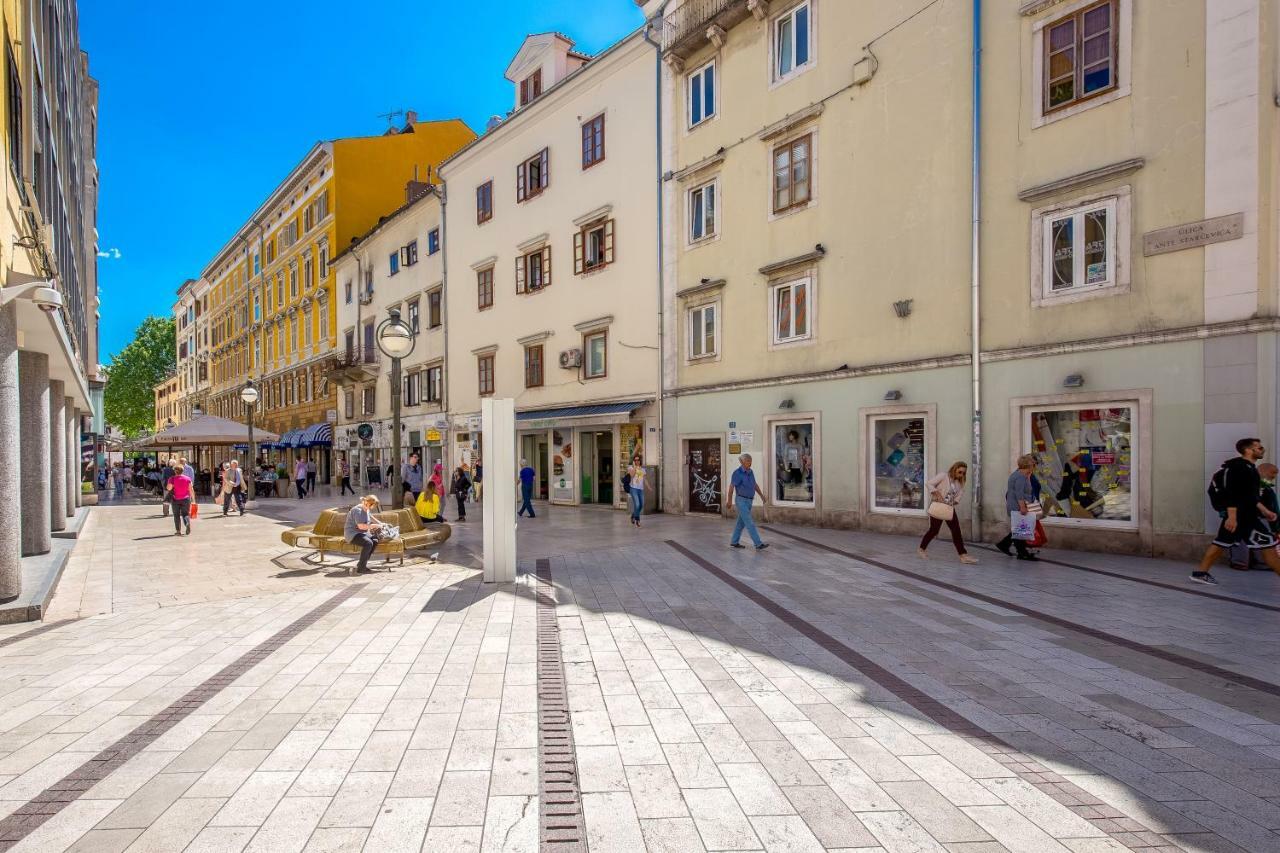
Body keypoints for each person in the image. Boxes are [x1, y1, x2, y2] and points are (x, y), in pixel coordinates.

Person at [1194, 437, 1280, 584]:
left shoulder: (1249, 468)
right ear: (1248, 450)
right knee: (1268, 543)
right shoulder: (1239, 468)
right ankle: (1201, 573)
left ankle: (1201, 573)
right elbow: (1232, 493)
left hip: (1243, 516)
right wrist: (1232, 517)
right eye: (1259, 448)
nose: (1262, 450)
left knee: (1220, 543)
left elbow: (1249, 496)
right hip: (1243, 517)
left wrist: (1265, 511)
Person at [918, 462, 979, 563]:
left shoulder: (959, 483)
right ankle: (921, 549)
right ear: (954, 469)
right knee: (934, 530)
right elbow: (929, 483)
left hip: (949, 508)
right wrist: (936, 493)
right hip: (938, 506)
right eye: (960, 472)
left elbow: (959, 494)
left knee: (956, 531)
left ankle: (963, 555)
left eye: (964, 473)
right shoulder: (943, 476)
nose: (961, 475)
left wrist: (955, 501)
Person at [995, 455, 1039, 561]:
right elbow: (1019, 493)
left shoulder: (1021, 475)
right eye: (1033, 464)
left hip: (1017, 504)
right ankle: (1021, 553)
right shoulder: (1020, 476)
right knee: (1020, 529)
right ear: (1028, 465)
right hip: (1017, 505)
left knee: (1019, 528)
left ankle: (1005, 545)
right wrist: (1023, 507)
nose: (1034, 466)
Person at [729, 454, 769, 550]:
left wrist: (762, 496)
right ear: (742, 462)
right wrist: (729, 500)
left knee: (741, 523)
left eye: (750, 461)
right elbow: (731, 487)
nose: (750, 463)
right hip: (741, 500)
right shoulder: (737, 473)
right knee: (749, 522)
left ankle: (734, 541)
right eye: (747, 461)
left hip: (749, 501)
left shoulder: (751, 472)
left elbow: (754, 485)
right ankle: (758, 544)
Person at [344, 495, 381, 574]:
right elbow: (361, 526)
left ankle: (361, 564)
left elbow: (370, 517)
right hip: (352, 534)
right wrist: (373, 526)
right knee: (368, 543)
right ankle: (361, 568)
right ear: (368, 503)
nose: (372, 508)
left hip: (361, 533)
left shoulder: (366, 508)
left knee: (375, 540)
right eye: (372, 506)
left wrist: (381, 523)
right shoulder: (358, 510)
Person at [165, 463, 193, 536]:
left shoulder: (172, 479)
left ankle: (178, 531)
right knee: (185, 514)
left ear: (175, 471)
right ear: (182, 471)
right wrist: (193, 500)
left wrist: (171, 484)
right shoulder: (188, 479)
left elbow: (169, 488)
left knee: (176, 515)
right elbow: (191, 490)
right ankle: (187, 524)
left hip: (175, 499)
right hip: (186, 499)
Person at [626, 455, 646, 527]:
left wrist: (649, 486)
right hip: (633, 488)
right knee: (637, 504)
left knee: (641, 504)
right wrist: (634, 467)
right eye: (635, 460)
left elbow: (644, 479)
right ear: (634, 461)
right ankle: (637, 520)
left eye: (638, 460)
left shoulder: (643, 469)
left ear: (640, 460)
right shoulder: (631, 468)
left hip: (640, 489)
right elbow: (632, 475)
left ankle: (633, 515)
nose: (637, 461)